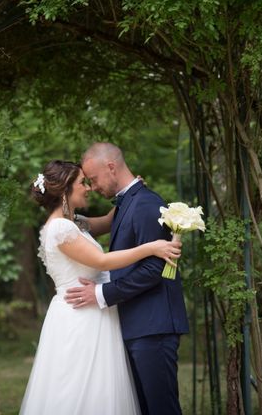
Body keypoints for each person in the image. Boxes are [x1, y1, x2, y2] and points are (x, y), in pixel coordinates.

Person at [20, 160, 181, 415]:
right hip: (80, 316)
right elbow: (102, 261)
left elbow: (108, 220)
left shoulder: (73, 222)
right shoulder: (61, 228)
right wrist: (152, 248)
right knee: (79, 389)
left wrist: (131, 190)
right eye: (82, 183)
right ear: (65, 192)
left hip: (93, 312)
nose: (88, 188)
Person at [65, 142, 189, 415]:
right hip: (139, 325)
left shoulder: (146, 204)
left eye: (94, 179)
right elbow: (98, 227)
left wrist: (100, 294)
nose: (93, 186)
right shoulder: (127, 203)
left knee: (161, 409)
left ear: (111, 167)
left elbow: (154, 269)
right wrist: (62, 212)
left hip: (153, 327)